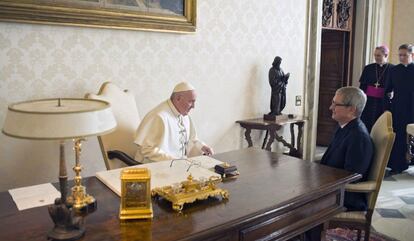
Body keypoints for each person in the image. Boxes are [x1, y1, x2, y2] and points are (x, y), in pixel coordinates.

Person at [306, 86, 374, 241]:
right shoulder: (345, 127)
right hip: (333, 190)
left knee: (303, 208)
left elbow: (352, 177)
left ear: (351, 109)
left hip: (346, 196)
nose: (331, 107)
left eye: (335, 104)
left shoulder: (358, 137)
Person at [134, 82, 213, 163]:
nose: (193, 106)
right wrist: (174, 161)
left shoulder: (184, 115)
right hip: (154, 167)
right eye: (191, 101)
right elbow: (146, 149)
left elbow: (190, 140)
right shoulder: (158, 116)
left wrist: (202, 147)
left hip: (178, 165)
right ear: (178, 98)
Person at [385, 44, 414, 173]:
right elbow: (388, 89)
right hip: (399, 107)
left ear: (412, 55)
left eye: (405, 55)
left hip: (413, 107)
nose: (402, 58)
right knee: (399, 135)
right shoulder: (394, 70)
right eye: (400, 55)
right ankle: (398, 164)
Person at [359, 45, 394, 132]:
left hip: (384, 103)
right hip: (368, 102)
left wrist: (392, 93)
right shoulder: (368, 68)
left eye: (378, 55)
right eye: (375, 55)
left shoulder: (393, 69)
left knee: (380, 126)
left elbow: (396, 86)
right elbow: (362, 87)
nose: (376, 58)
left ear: (386, 55)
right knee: (366, 124)